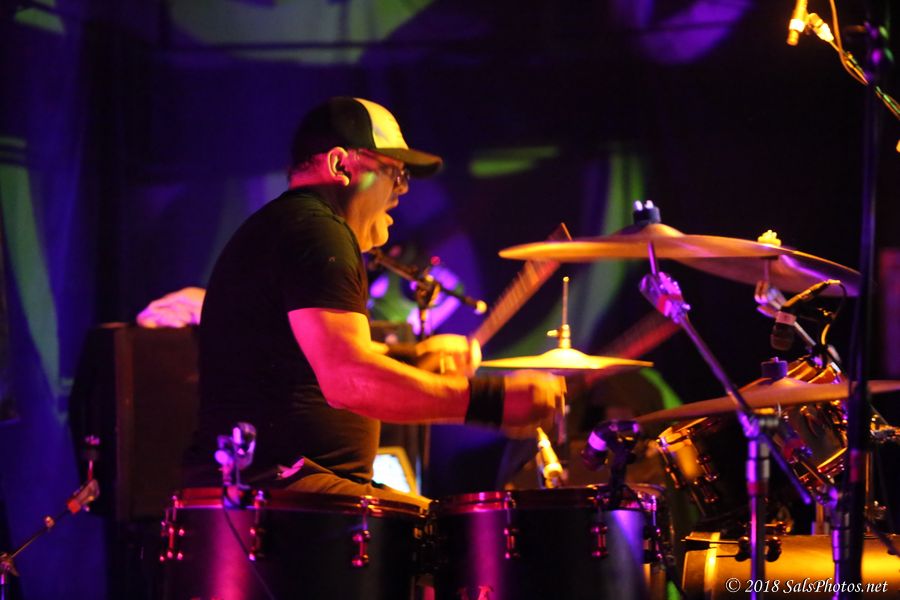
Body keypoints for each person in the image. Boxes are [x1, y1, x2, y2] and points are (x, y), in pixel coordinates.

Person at [183, 97, 564, 509]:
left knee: (440, 526)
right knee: (448, 533)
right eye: (393, 173)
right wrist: (494, 402)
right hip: (278, 493)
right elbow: (348, 379)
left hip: (276, 487)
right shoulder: (318, 232)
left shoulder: (290, 226)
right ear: (340, 166)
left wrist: (414, 359)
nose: (401, 190)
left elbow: (314, 359)